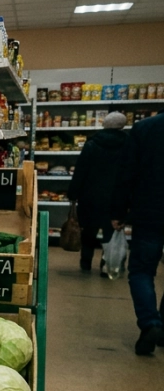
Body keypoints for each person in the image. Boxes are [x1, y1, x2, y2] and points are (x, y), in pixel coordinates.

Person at [112, 112, 164, 355]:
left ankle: (150, 323)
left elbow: (125, 175)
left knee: (142, 270)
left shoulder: (144, 129)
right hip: (150, 211)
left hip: (149, 211)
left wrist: (119, 212)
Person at [69, 112, 130, 275]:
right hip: (116, 197)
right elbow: (131, 173)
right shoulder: (128, 145)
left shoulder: (92, 144)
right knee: (110, 231)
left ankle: (86, 262)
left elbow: (80, 171)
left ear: (105, 124)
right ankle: (106, 264)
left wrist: (73, 194)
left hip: (90, 196)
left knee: (89, 230)